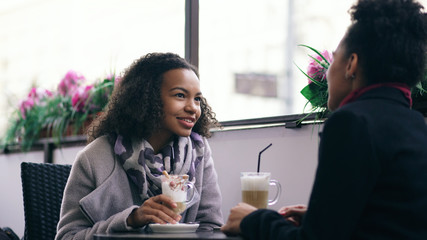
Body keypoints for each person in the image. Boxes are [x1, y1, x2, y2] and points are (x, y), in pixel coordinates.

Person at [221, 0, 427, 239]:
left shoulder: (351, 122)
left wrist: (253, 219)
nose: (328, 72)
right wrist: (318, 216)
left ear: (352, 64)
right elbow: (392, 222)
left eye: (334, 59)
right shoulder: (414, 124)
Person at [55, 52, 224, 239]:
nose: (193, 107)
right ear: (148, 98)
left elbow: (212, 228)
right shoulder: (94, 158)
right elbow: (67, 236)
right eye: (180, 95)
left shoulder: (198, 153)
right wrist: (130, 220)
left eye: (197, 99)